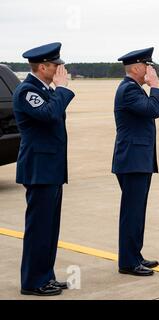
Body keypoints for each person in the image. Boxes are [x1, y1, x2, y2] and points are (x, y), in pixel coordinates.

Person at [13, 42, 75, 296]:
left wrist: (57, 90)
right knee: (39, 227)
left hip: (51, 169)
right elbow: (49, 115)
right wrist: (61, 89)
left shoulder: (44, 90)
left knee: (49, 227)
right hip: (39, 169)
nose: (61, 70)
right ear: (42, 67)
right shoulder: (28, 91)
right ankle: (32, 281)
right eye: (56, 66)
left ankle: (45, 276)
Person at [112, 47, 159, 276]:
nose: (151, 70)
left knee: (137, 211)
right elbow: (153, 110)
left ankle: (134, 255)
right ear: (136, 68)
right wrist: (155, 86)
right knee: (132, 212)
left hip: (137, 159)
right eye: (148, 66)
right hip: (132, 161)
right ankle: (127, 262)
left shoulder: (132, 89)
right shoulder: (129, 91)